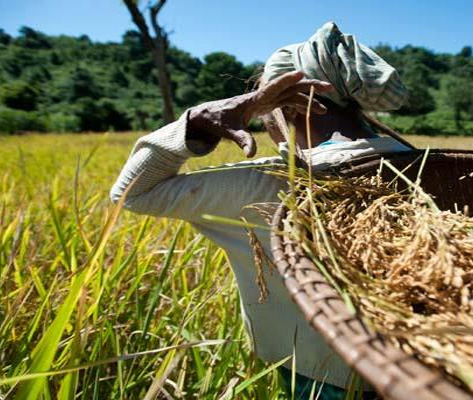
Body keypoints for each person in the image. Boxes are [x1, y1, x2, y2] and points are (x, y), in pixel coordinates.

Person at [111, 22, 411, 399]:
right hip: (423, 375)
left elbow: (131, 193)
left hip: (321, 379)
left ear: (283, 105)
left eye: (265, 103)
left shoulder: (265, 184)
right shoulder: (428, 167)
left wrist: (200, 119)